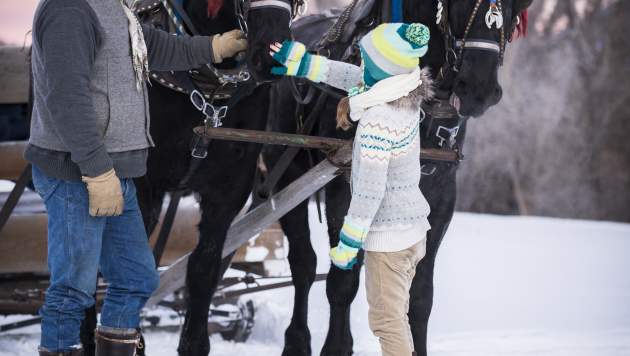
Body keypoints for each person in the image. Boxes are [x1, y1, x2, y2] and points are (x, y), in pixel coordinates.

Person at [27, 0, 247, 354]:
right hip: (77, 174)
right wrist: (97, 173)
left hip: (116, 172)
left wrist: (214, 47)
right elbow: (67, 99)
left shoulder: (111, 7)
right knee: (72, 290)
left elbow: (155, 45)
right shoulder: (68, 10)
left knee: (136, 279)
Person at [270, 22, 432, 356]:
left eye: (367, 62)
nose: (362, 67)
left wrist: (348, 244)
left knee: (387, 322)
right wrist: (302, 62)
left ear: (381, 70)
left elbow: (369, 192)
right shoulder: (404, 93)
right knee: (394, 317)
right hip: (412, 229)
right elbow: (349, 77)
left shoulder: (377, 121)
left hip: (389, 236)